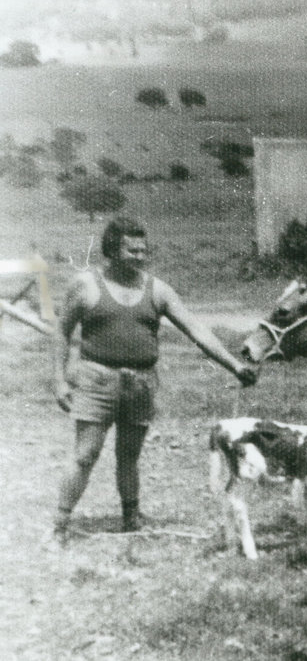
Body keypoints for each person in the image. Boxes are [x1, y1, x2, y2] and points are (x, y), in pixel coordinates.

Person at [51, 216, 257, 544]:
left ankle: (131, 518)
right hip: (96, 381)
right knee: (85, 454)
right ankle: (59, 525)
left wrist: (234, 365)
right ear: (112, 250)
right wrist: (60, 381)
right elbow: (61, 331)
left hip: (142, 384)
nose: (140, 256)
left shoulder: (157, 290)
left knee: (129, 455)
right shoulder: (86, 285)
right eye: (132, 250)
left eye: (144, 250)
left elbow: (196, 329)